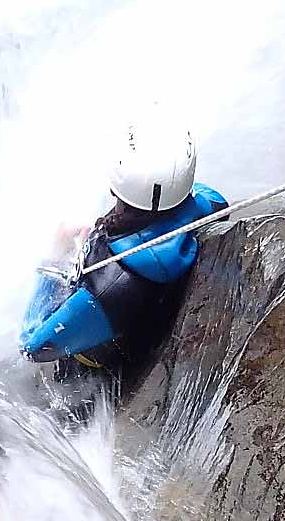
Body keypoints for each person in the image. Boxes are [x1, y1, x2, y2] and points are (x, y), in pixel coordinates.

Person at [20, 121, 227, 380]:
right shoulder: (199, 207)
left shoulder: (108, 287)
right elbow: (210, 199)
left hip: (95, 359)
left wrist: (56, 257)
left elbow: (32, 346)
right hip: (141, 315)